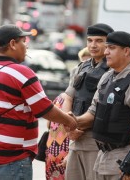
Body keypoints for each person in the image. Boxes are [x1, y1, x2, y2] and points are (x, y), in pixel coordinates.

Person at [0, 24, 77, 180]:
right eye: (24, 41)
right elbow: (45, 109)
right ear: (13, 44)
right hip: (11, 160)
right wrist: (70, 121)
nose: (26, 45)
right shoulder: (22, 73)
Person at [74, 31, 130, 180]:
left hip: (123, 159)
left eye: (111, 48)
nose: (106, 52)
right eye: (106, 48)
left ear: (126, 51)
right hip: (103, 158)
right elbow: (93, 111)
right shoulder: (107, 77)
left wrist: (129, 164)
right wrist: (73, 121)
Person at [63, 23, 114, 180]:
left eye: (99, 40)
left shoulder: (113, 70)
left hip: (96, 142)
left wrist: (74, 125)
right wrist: (68, 124)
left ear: (109, 44)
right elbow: (68, 97)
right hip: (75, 138)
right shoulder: (82, 67)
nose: (93, 45)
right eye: (90, 40)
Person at [45, 47, 91, 180]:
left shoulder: (59, 99)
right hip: (68, 151)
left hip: (53, 152)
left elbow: (48, 125)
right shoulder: (81, 102)